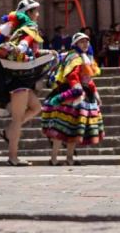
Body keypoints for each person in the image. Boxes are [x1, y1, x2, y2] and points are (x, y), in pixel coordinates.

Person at [0, 0, 55, 166]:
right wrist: (22, 49)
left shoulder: (21, 29)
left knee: (36, 108)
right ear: (28, 13)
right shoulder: (27, 29)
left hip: (21, 78)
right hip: (19, 80)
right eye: (35, 11)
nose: (38, 14)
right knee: (18, 118)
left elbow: (28, 51)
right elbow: (21, 48)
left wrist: (47, 52)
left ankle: (7, 132)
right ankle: (13, 156)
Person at [41, 31, 103, 165]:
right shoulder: (73, 57)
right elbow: (72, 76)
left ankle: (69, 158)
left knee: (74, 128)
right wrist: (76, 88)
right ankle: (53, 158)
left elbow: (88, 79)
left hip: (83, 96)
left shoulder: (86, 57)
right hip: (71, 94)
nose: (85, 44)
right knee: (60, 128)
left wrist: (95, 93)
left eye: (86, 41)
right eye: (82, 42)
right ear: (75, 44)